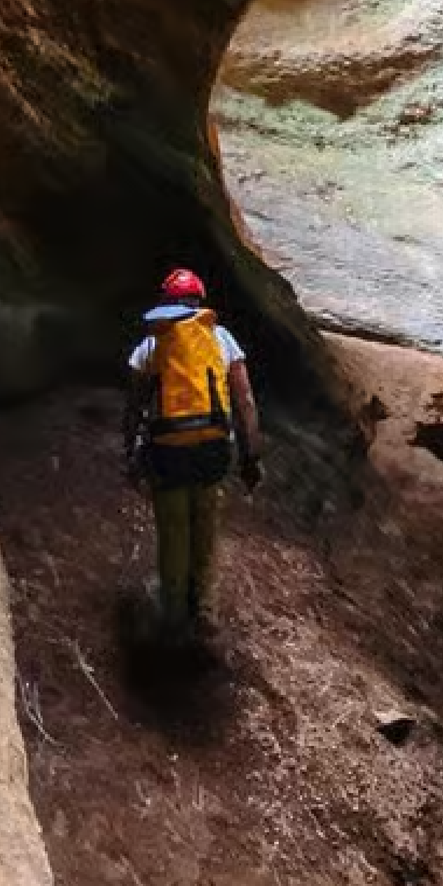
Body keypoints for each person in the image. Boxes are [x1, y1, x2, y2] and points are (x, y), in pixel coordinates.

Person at [123, 267, 264, 635]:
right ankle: (202, 610)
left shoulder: (153, 344)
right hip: (212, 452)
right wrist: (251, 456)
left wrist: (131, 452)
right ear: (199, 302)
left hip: (168, 453)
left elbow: (135, 405)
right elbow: (245, 400)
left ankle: (172, 616)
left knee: (174, 532)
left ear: (167, 304)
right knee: (205, 530)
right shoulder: (221, 338)